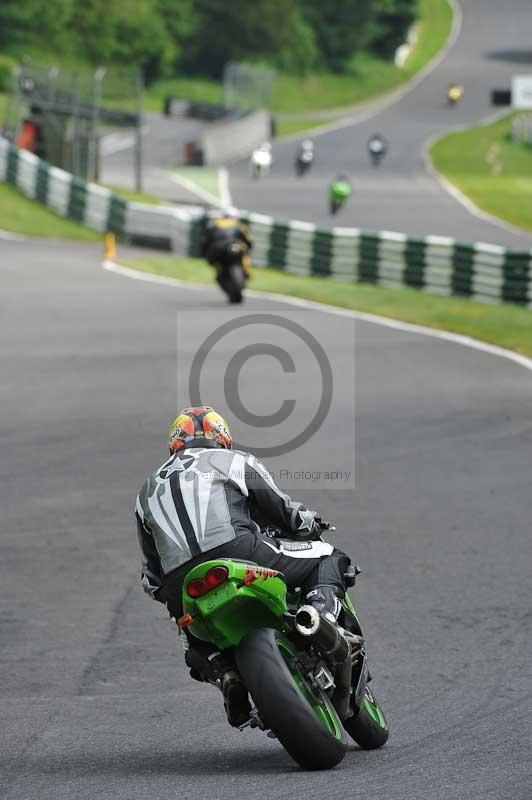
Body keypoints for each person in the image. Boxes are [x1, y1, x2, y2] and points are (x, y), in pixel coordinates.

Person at [135, 406, 352, 726]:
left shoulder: (146, 490)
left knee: (184, 622)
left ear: (174, 445)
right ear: (223, 439)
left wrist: (172, 592)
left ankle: (224, 673)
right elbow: (284, 512)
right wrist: (309, 525)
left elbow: (151, 577)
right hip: (239, 550)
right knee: (328, 556)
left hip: (180, 580)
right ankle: (317, 618)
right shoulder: (235, 460)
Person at [201, 210, 253, 284]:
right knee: (243, 255)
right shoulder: (239, 225)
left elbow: (206, 241)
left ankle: (219, 272)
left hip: (217, 249)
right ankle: (246, 272)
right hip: (233, 247)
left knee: (215, 263)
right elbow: (248, 240)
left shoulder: (215, 225)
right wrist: (249, 246)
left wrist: (205, 254)